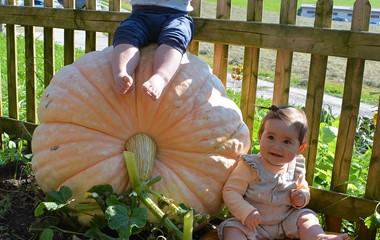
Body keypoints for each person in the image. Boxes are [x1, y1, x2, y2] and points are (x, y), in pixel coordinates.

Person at [217, 105, 349, 240]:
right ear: (260, 135)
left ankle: (319, 237)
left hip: (285, 222)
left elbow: (303, 188)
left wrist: (302, 197)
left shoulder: (295, 168)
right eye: (270, 137)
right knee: (231, 229)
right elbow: (231, 191)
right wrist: (246, 212)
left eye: (286, 141)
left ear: (300, 148)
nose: (276, 146)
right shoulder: (250, 166)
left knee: (306, 216)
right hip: (252, 224)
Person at [111, 0, 194, 101]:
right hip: (140, 15)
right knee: (126, 34)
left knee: (175, 38)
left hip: (176, 16)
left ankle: (161, 77)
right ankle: (123, 72)